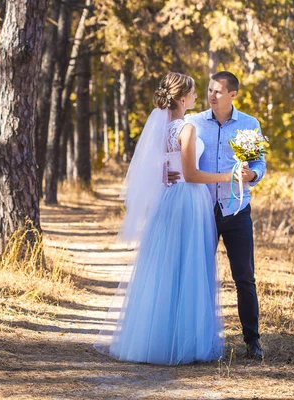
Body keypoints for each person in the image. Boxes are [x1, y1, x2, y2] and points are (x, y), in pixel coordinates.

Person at [94, 72, 232, 365]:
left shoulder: (161, 128)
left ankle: (155, 338)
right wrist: (229, 177)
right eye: (194, 92)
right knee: (189, 266)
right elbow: (192, 174)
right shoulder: (187, 129)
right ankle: (184, 342)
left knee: (166, 265)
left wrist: (162, 172)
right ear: (182, 98)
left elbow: (152, 164)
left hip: (168, 199)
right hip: (188, 198)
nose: (197, 97)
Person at [173, 71, 267, 359]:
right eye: (209, 90)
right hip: (202, 211)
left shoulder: (249, 125)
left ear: (233, 95)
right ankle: (190, 338)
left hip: (236, 208)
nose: (211, 95)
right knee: (196, 275)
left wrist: (253, 174)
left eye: (218, 91)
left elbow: (258, 163)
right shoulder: (194, 122)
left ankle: (252, 341)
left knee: (244, 278)